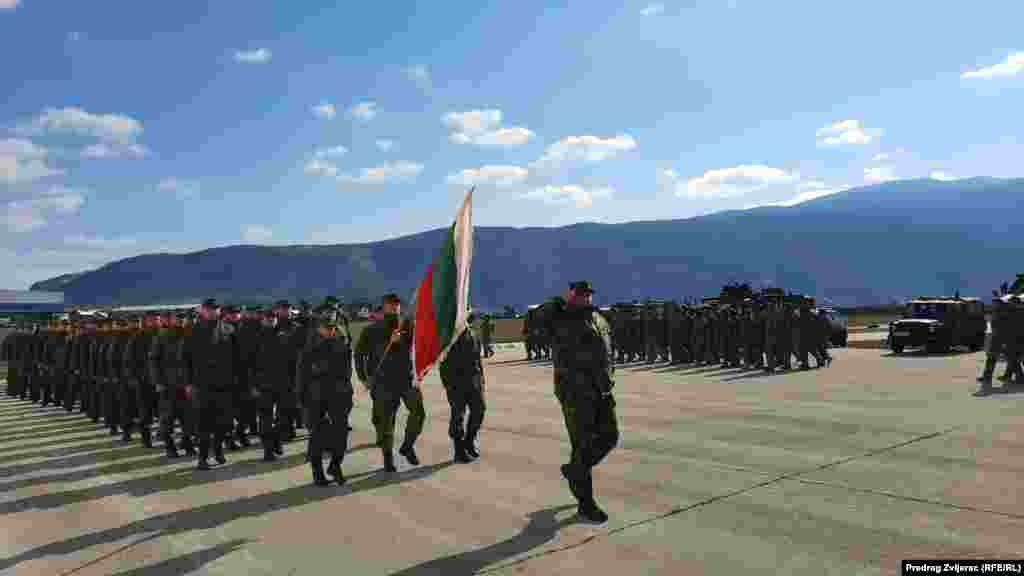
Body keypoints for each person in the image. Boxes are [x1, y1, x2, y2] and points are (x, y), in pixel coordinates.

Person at [549, 281, 619, 523]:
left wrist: (609, 379)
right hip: (576, 394)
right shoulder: (562, 319)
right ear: (571, 296)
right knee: (582, 446)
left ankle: (574, 470)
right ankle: (585, 504)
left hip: (602, 391)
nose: (585, 298)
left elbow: (607, 352)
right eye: (579, 295)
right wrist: (556, 305)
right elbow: (539, 321)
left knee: (610, 437)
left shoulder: (598, 319)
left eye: (588, 294)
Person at [354, 293, 426, 472]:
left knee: (418, 413)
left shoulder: (408, 326)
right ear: (384, 306)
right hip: (383, 382)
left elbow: (418, 347)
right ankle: (388, 458)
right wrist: (363, 377)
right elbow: (359, 354)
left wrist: (420, 368)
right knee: (386, 422)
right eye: (390, 304)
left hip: (406, 379)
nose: (394, 307)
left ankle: (407, 446)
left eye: (396, 304)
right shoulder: (372, 330)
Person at [296, 305, 354, 486]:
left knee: (341, 434)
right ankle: (317, 472)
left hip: (338, 395)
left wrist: (348, 392)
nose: (330, 331)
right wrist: (302, 400)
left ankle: (335, 465)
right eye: (327, 328)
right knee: (317, 437)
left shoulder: (342, 345)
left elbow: (346, 372)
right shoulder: (309, 348)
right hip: (316, 396)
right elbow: (301, 375)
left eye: (333, 328)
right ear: (318, 328)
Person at [439, 310, 486, 463]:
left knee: (479, 410)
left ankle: (469, 441)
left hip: (474, 381)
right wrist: (447, 383)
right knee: (458, 416)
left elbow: (478, 359)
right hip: (456, 383)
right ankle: (459, 450)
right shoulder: (448, 337)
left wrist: (482, 380)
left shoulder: (474, 334)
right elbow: (443, 361)